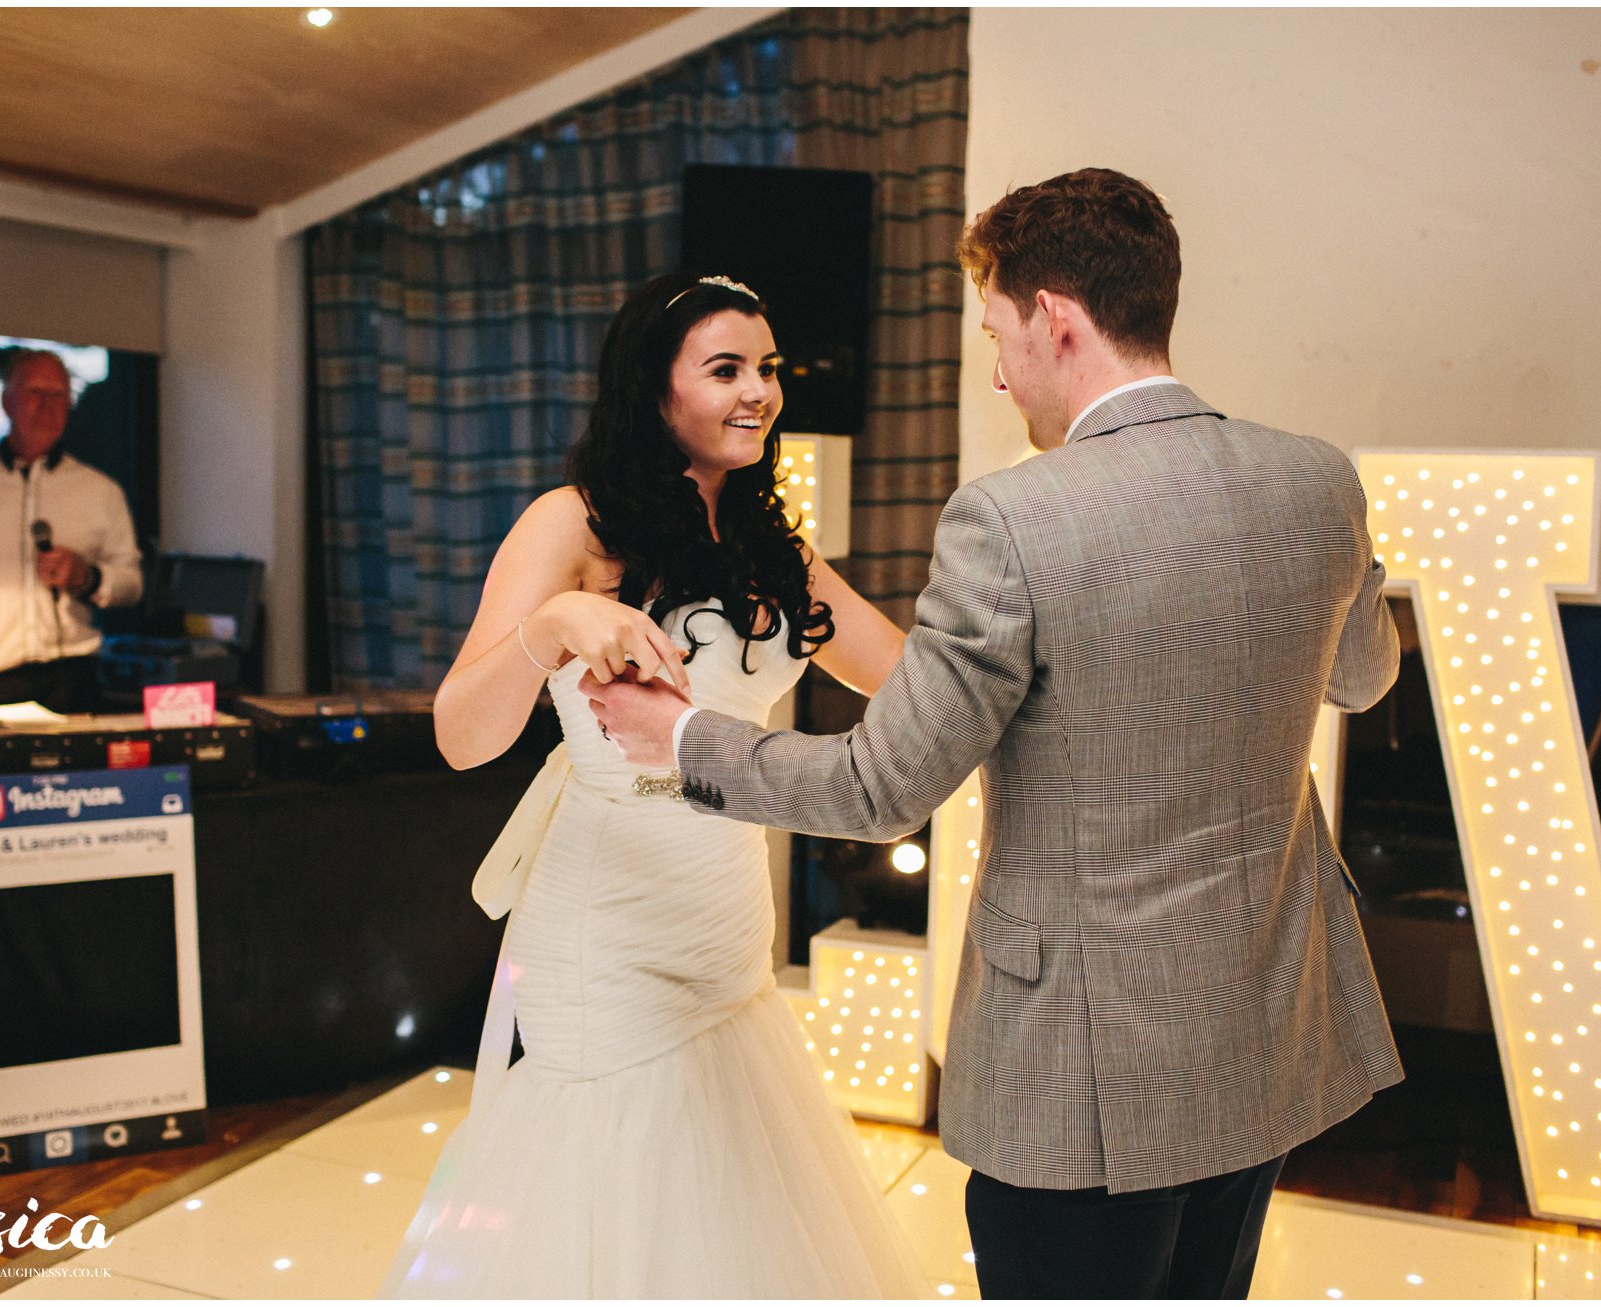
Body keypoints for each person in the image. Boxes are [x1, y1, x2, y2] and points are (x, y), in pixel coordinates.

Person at [591, 169, 1405, 1300]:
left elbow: (881, 787)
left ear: (1056, 318)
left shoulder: (1015, 516)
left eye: (998, 330)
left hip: (1083, 1068)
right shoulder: (1315, 479)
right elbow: (1364, 679)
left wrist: (682, 741)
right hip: (1263, 1024)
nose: (996, 367)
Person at [379, 272, 927, 1298]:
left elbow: (908, 680)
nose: (758, 391)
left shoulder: (775, 545)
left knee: (723, 1195)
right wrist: (549, 629)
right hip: (606, 922)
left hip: (725, 913)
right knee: (607, 1178)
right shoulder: (573, 523)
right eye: (725, 369)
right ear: (655, 387)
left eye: (766, 368)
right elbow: (460, 734)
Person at [0, 349, 142, 712]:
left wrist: (87, 577)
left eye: (59, 395)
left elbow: (131, 583)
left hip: (70, 680)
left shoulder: (101, 491)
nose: (47, 406)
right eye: (35, 392)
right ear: (7, 401)